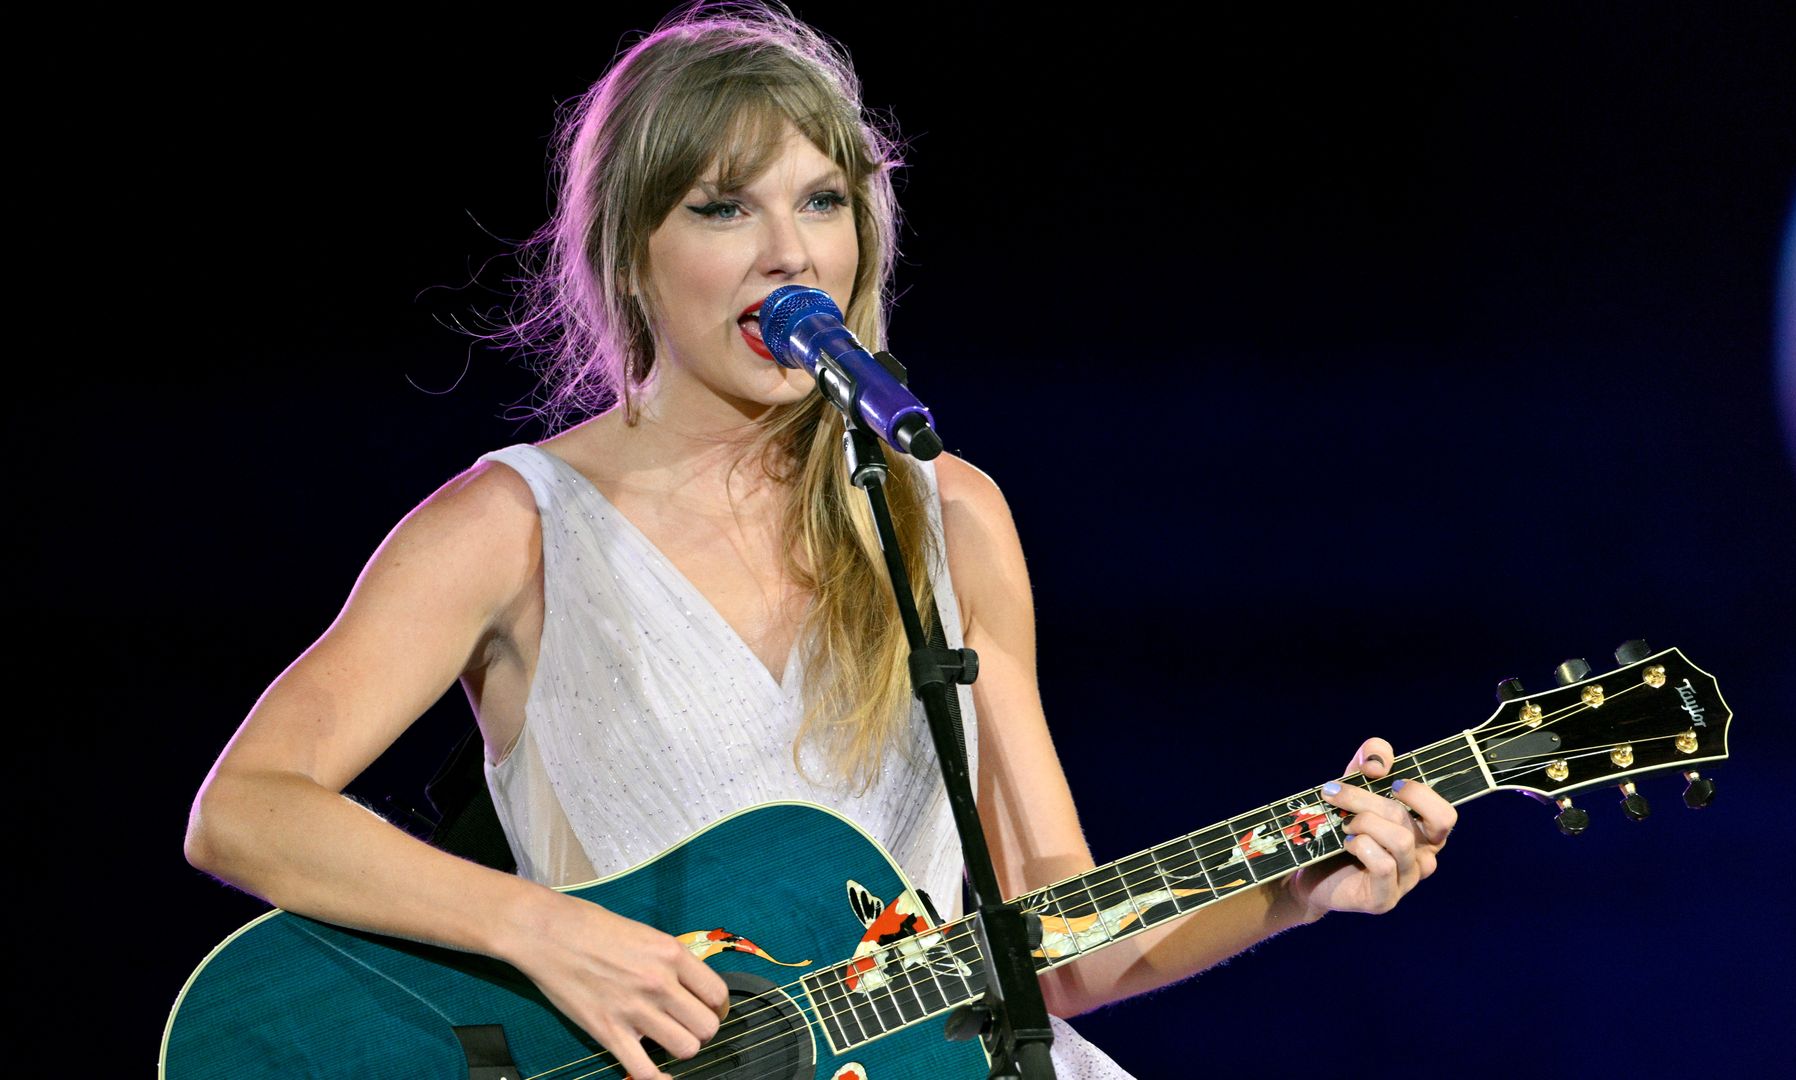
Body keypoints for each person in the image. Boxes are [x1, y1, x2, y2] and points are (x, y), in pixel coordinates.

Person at [182, 4, 1456, 1077]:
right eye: (723, 209)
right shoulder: (514, 525)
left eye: (823, 201)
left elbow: (1055, 951)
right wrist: (540, 933)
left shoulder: (947, 513)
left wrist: (1292, 885)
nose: (789, 253)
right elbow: (246, 809)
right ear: (631, 253)